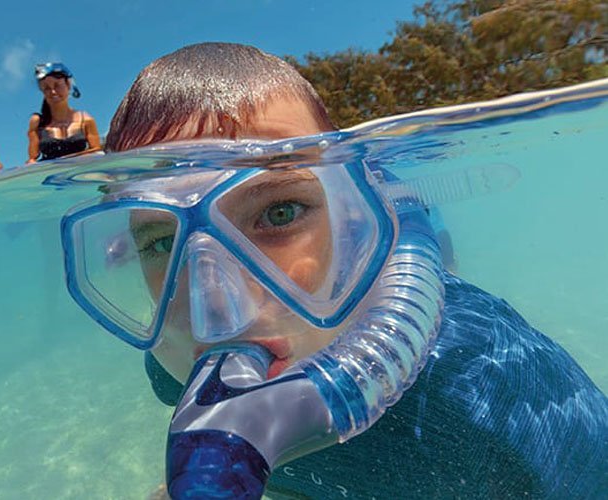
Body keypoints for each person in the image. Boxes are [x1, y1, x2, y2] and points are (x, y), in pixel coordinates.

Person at [63, 43, 608, 499]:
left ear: (352, 219)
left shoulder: (487, 398)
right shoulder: (177, 358)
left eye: (279, 213)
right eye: (161, 240)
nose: (217, 312)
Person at [26, 62, 101, 163]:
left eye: (57, 85)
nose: (52, 92)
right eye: (47, 88)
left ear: (68, 85)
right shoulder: (37, 122)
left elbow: (97, 152)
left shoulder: (86, 120)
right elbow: (32, 159)